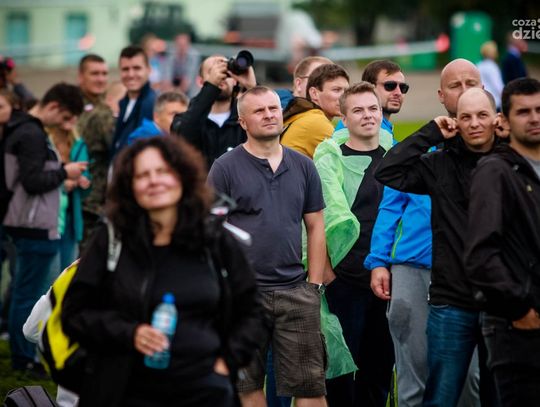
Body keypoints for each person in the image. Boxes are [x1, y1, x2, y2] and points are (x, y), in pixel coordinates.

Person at [62, 136, 263, 406]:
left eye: (163, 171)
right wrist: (129, 333)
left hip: (204, 393)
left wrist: (227, 362)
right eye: (142, 175)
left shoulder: (214, 239)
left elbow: (253, 310)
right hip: (124, 392)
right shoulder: (111, 240)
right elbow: (75, 314)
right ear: (129, 186)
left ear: (182, 177)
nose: (154, 181)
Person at [375, 84, 502, 407]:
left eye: (482, 115)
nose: (474, 123)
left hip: (502, 300)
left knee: (499, 391)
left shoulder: (510, 162)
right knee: (441, 393)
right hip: (452, 300)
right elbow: (388, 171)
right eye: (466, 117)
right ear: (455, 121)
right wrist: (429, 133)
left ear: (496, 119)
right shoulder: (439, 164)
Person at [208, 86, 327, 407]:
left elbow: (316, 226)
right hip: (243, 296)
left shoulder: (303, 165)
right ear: (242, 122)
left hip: (296, 291)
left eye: (273, 108)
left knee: (311, 388)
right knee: (245, 386)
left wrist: (314, 286)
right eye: (259, 111)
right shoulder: (225, 167)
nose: (269, 115)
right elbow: (211, 232)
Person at [314, 82, 393, 406]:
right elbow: (316, 222)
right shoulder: (330, 160)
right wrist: (328, 273)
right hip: (345, 279)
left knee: (380, 366)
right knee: (341, 371)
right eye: (358, 110)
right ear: (344, 119)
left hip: (388, 278)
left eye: (373, 108)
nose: (367, 116)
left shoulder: (394, 157)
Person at [464, 78, 540, 405]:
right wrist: (520, 308)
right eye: (523, 112)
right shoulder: (495, 171)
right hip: (518, 330)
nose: (534, 118)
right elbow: (480, 255)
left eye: (539, 110)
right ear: (504, 121)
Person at [3, 83, 86, 372]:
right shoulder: (32, 134)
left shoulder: (24, 129)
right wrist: (65, 171)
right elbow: (32, 181)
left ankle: (25, 354)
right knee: (29, 293)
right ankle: (24, 357)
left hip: (31, 223)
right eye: (65, 118)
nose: (65, 125)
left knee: (25, 289)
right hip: (33, 225)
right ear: (53, 107)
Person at [171, 54, 256, 168]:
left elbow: (268, 132)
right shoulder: (183, 119)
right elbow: (184, 135)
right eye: (212, 71)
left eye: (227, 71)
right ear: (200, 82)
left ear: (235, 81)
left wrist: (252, 88)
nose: (221, 76)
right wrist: (211, 87)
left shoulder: (244, 121)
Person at [76, 54, 115, 250]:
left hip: (94, 203)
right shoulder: (71, 106)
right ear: (81, 76)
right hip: (85, 203)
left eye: (104, 74)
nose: (100, 79)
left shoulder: (105, 109)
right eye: (94, 74)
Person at [281, 63, 349, 158]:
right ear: (314, 93)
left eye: (346, 91)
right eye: (336, 90)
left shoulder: (306, 115)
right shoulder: (316, 121)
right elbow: (349, 160)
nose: (344, 97)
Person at [48, 125, 91, 270]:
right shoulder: (45, 143)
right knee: (49, 274)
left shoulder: (79, 145)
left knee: (67, 271)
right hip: (48, 217)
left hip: (71, 217)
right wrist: (63, 183)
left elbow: (86, 185)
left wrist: (83, 182)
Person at [111, 45, 156, 158]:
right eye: (125, 69)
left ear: (149, 70)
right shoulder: (123, 103)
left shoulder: (152, 105)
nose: (131, 75)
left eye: (137, 68)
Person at [170, 33, 201, 98]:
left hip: (191, 92)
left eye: (184, 45)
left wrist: (173, 94)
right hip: (174, 90)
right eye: (179, 45)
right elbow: (166, 79)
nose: (181, 48)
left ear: (188, 45)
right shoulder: (171, 54)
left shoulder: (193, 56)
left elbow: (187, 82)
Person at [477, 41, 504, 110]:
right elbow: (498, 86)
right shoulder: (492, 66)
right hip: (494, 102)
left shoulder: (479, 65)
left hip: (482, 101)